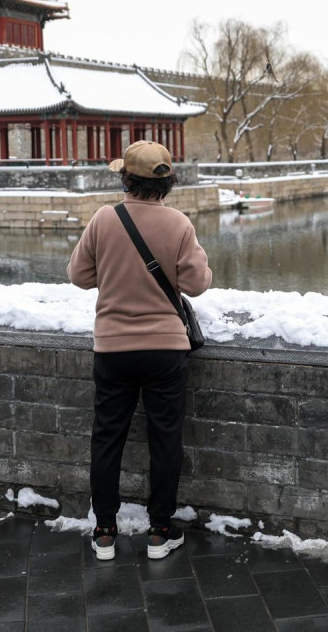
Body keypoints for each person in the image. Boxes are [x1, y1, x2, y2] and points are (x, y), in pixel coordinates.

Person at [67, 141, 212, 561]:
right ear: (167, 182)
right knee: (165, 439)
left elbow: (78, 275)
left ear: (125, 179)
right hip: (166, 349)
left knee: (107, 438)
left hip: (112, 348)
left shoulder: (104, 219)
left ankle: (105, 531)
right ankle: (160, 532)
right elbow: (197, 283)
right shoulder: (179, 224)